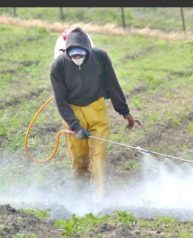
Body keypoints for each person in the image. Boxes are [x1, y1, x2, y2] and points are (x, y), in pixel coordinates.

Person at [50, 27, 140, 199]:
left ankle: (101, 196)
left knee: (99, 153)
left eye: (81, 55)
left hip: (96, 109)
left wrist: (125, 112)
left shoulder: (100, 57)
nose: (77, 58)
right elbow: (60, 102)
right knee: (79, 157)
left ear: (88, 51)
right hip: (73, 112)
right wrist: (75, 127)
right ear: (67, 53)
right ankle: (82, 195)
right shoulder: (58, 66)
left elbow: (112, 84)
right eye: (74, 55)